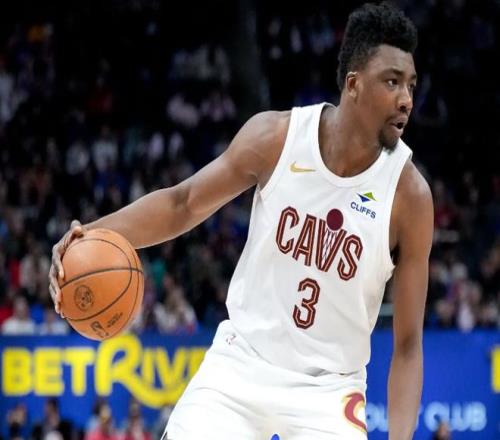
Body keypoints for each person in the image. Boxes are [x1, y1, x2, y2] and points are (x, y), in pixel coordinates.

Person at [49, 2, 433, 439]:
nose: (406, 99)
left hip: (329, 391)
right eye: (392, 82)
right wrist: (90, 235)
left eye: (411, 85)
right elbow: (183, 203)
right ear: (354, 84)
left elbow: (407, 346)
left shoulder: (410, 197)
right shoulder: (277, 138)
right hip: (240, 364)